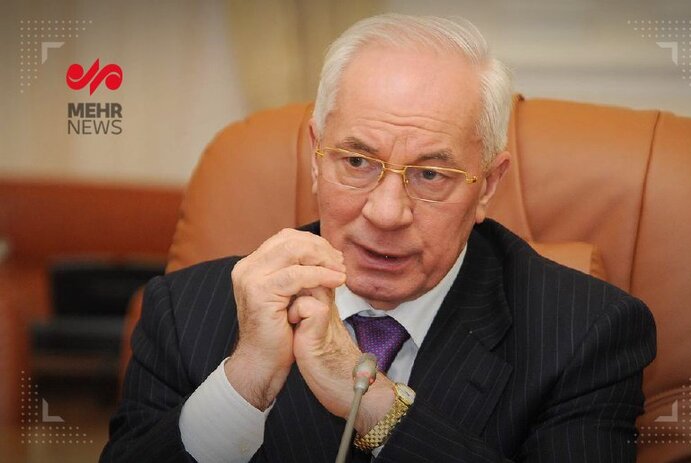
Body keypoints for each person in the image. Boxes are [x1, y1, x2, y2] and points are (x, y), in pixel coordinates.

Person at [101, 13, 656, 463]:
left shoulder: (584, 333)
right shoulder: (187, 311)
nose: (386, 213)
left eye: (431, 174)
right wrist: (244, 384)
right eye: (357, 161)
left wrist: (377, 408)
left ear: (488, 184)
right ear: (316, 158)